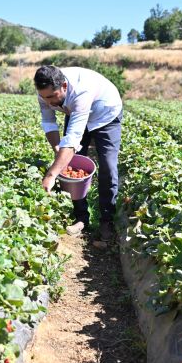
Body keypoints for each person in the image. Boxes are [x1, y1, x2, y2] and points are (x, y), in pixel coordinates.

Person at [34, 65, 123, 241]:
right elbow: (49, 122)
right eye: (45, 98)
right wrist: (57, 150)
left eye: (52, 96)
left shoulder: (81, 92)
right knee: (70, 164)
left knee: (108, 166)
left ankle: (107, 220)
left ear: (64, 87)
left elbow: (73, 138)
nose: (49, 102)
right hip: (75, 111)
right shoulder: (44, 93)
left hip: (106, 114)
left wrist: (51, 174)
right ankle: (81, 217)